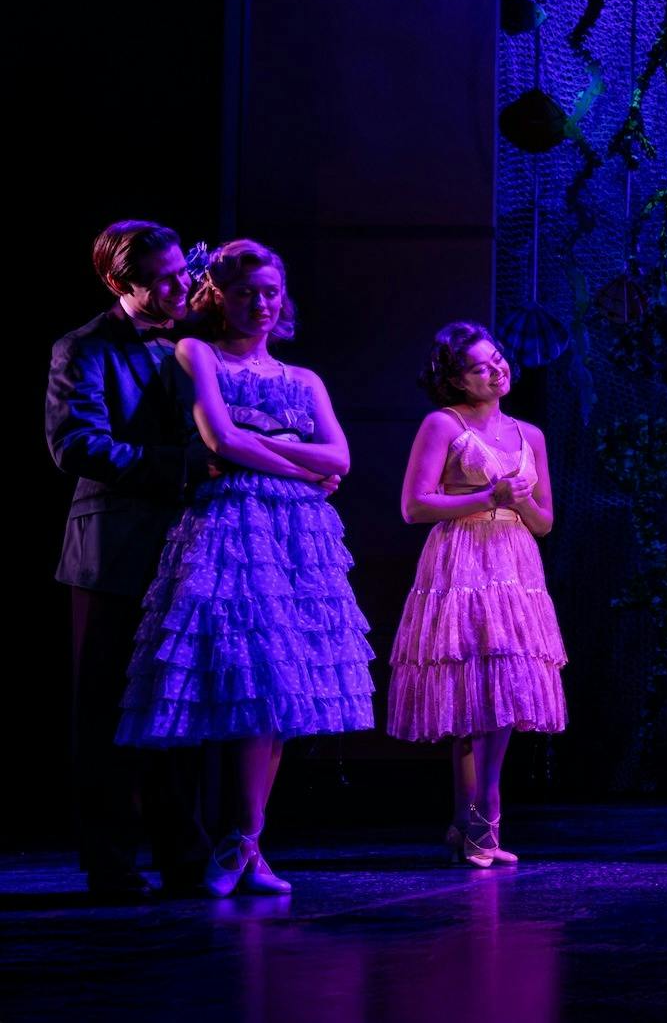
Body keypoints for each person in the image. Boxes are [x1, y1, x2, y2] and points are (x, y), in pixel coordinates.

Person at [115, 240, 375, 897]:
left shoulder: (304, 379)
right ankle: (235, 841)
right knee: (246, 678)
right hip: (233, 524)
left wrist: (288, 454)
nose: (261, 304)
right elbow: (219, 439)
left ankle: (247, 842)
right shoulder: (196, 352)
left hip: (301, 535)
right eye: (245, 293)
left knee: (284, 685)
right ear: (218, 298)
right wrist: (295, 459)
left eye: (270, 292)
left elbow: (340, 457)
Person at [47, 220, 209, 897]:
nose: (180, 287)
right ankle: (110, 864)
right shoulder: (84, 347)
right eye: (163, 279)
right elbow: (76, 445)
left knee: (181, 704)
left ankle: (185, 856)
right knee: (108, 708)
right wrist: (184, 467)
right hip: (113, 549)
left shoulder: (193, 341)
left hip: (189, 548)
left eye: (182, 272)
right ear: (119, 283)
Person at [386, 323, 567, 868]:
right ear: (456, 378)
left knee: (507, 682)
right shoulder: (444, 424)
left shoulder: (527, 434)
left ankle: (484, 808)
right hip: (461, 558)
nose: (497, 370)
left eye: (499, 360)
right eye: (481, 366)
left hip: (513, 563)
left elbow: (544, 522)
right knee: (467, 684)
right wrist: (489, 495)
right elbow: (414, 506)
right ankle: (472, 816)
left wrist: (518, 501)